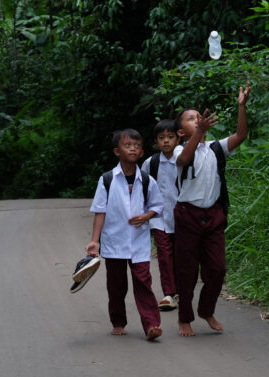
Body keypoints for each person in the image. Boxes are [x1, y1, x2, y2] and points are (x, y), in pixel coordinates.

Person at [173, 82, 251, 337]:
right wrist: (199, 134)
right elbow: (184, 160)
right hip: (188, 216)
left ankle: (207, 310)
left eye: (199, 117)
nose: (197, 120)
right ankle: (185, 318)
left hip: (213, 215)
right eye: (191, 119)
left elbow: (240, 136)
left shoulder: (216, 148)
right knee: (186, 270)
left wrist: (242, 106)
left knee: (217, 269)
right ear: (181, 132)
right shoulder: (179, 149)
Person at [86, 128, 165, 340]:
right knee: (116, 285)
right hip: (114, 242)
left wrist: (146, 216)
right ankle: (118, 321)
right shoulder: (107, 180)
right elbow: (99, 211)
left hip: (139, 242)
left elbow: (158, 205)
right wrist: (95, 241)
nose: (133, 149)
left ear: (141, 153)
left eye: (137, 146)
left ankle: (152, 325)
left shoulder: (147, 180)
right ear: (117, 151)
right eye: (127, 145)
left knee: (143, 282)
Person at [141, 119, 180, 311]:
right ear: (156, 141)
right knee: (164, 255)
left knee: (181, 256)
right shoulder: (151, 163)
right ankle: (169, 293)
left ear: (178, 138)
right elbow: (142, 188)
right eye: (162, 138)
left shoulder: (184, 160)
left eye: (170, 137)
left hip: (181, 218)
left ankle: (181, 290)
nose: (166, 141)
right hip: (158, 219)